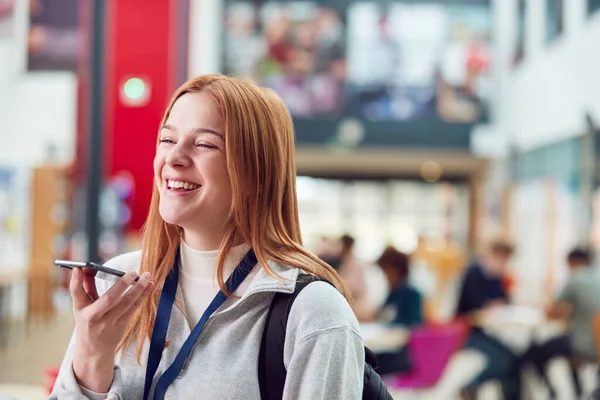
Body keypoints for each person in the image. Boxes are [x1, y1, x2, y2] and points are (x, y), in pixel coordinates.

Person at [50, 75, 365, 399]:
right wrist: (92, 355)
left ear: (258, 173)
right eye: (167, 140)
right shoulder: (116, 285)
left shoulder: (312, 312)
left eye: (204, 144)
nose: (173, 158)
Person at [521, 248, 600, 399]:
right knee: (565, 343)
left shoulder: (575, 279)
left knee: (534, 352)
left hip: (584, 343)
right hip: (598, 344)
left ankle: (551, 392)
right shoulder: (597, 276)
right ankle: (578, 392)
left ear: (572, 262)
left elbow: (553, 312)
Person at [456, 240, 520, 400]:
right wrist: (493, 304)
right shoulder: (473, 273)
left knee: (515, 357)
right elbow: (477, 307)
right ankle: (470, 386)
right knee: (503, 360)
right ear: (492, 254)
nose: (503, 263)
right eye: (502, 258)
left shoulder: (496, 276)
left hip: (483, 329)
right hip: (466, 331)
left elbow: (505, 301)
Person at [371, 246, 423, 376]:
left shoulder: (412, 294)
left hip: (405, 355)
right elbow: (381, 314)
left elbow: (415, 325)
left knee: (367, 365)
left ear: (396, 270)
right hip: (389, 347)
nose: (385, 276)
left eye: (386, 271)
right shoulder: (393, 292)